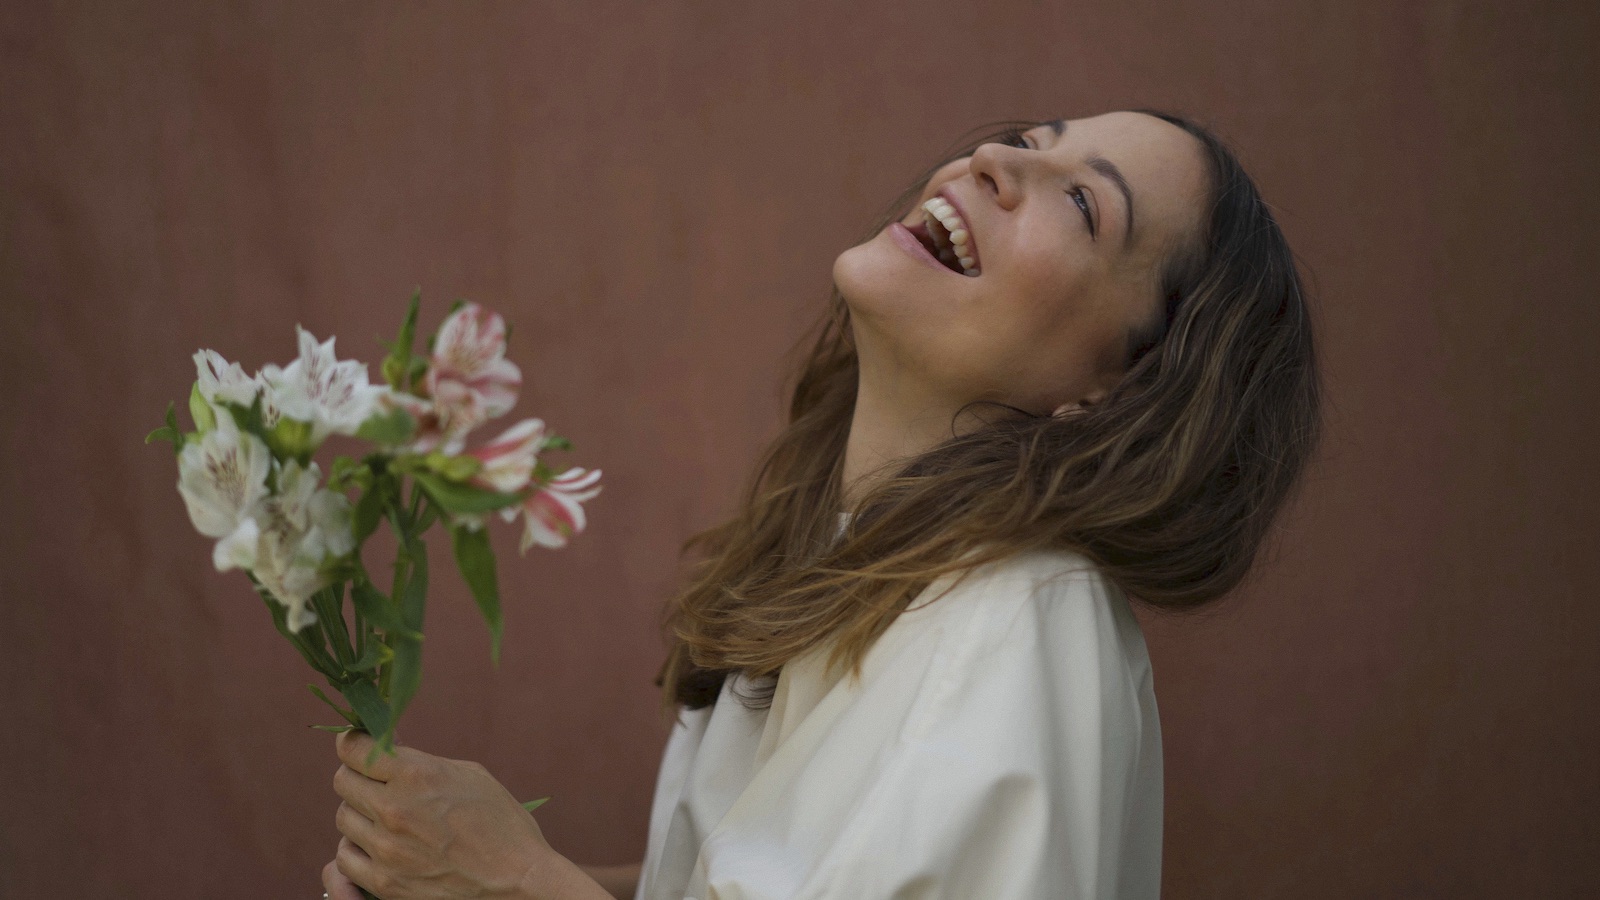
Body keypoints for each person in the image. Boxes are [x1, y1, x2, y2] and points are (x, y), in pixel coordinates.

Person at [322, 109, 1322, 900]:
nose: (993, 159)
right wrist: (463, 869)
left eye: (1082, 205)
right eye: (1029, 137)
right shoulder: (847, 561)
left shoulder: (1025, 618)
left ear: (1121, 388)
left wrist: (518, 881)